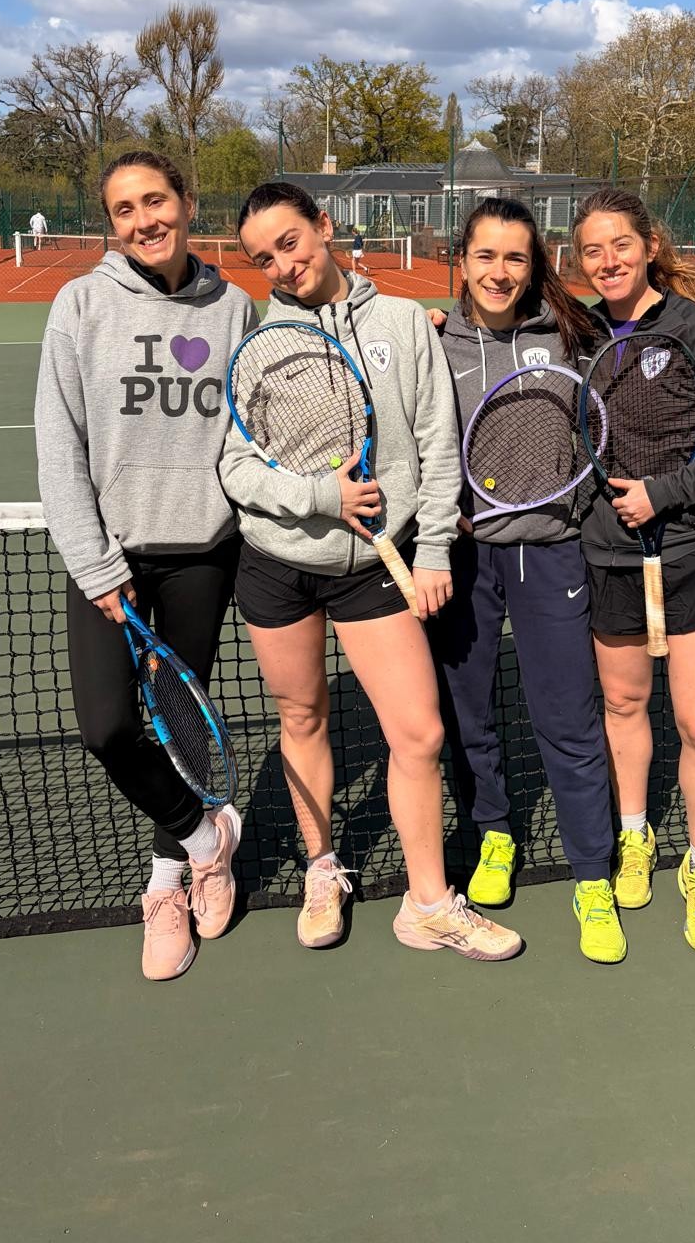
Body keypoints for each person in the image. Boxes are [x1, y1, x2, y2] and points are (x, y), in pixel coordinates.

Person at [221, 181, 521, 961]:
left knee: (419, 733)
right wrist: (322, 496)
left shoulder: (401, 321)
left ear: (324, 227)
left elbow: (437, 443)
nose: (282, 265)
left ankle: (428, 906)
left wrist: (433, 550)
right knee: (302, 718)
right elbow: (236, 467)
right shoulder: (259, 341)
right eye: (263, 259)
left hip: (372, 569)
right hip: (277, 565)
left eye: (290, 243)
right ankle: (322, 870)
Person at [35, 149, 257, 981]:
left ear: (187, 202)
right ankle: (206, 838)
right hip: (110, 560)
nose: (143, 221)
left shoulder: (233, 307)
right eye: (124, 210)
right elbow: (59, 444)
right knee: (108, 727)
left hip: (203, 554)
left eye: (155, 201)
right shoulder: (81, 304)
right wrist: (96, 566)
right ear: (111, 223)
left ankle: (169, 883)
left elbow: (255, 420)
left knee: (180, 727)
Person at [573, 189, 695, 956]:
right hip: (609, 557)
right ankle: (634, 836)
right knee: (624, 705)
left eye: (620, 245)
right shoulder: (579, 333)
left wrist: (665, 492)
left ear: (649, 245)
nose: (608, 261)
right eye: (592, 251)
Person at [430, 198, 625, 963]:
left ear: (534, 263)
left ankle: (592, 877)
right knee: (468, 715)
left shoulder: (574, 335)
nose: (499, 271)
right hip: (464, 558)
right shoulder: (434, 341)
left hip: (551, 554)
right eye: (485, 255)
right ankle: (495, 833)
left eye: (515, 257)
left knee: (569, 722)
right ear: (463, 259)